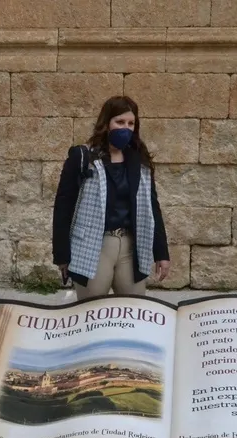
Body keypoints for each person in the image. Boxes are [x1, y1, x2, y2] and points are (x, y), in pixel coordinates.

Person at [52, 95, 170, 300]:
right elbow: (64, 206)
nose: (126, 128)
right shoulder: (83, 157)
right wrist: (62, 255)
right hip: (93, 246)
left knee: (132, 309)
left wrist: (161, 253)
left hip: (130, 246)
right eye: (120, 122)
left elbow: (152, 206)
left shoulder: (139, 160)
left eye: (131, 123)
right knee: (91, 310)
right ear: (106, 123)